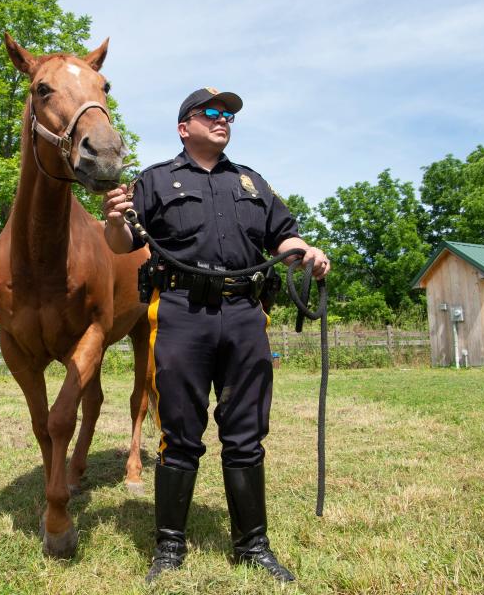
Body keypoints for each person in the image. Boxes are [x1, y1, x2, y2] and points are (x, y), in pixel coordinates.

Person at [102, 87, 330, 583]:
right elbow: (121, 243)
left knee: (246, 433)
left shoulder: (252, 182)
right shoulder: (155, 181)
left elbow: (283, 235)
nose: (222, 119)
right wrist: (113, 218)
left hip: (246, 313)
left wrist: (304, 251)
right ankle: (169, 549)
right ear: (185, 127)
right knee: (180, 433)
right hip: (182, 311)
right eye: (210, 113)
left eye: (228, 114)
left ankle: (253, 547)